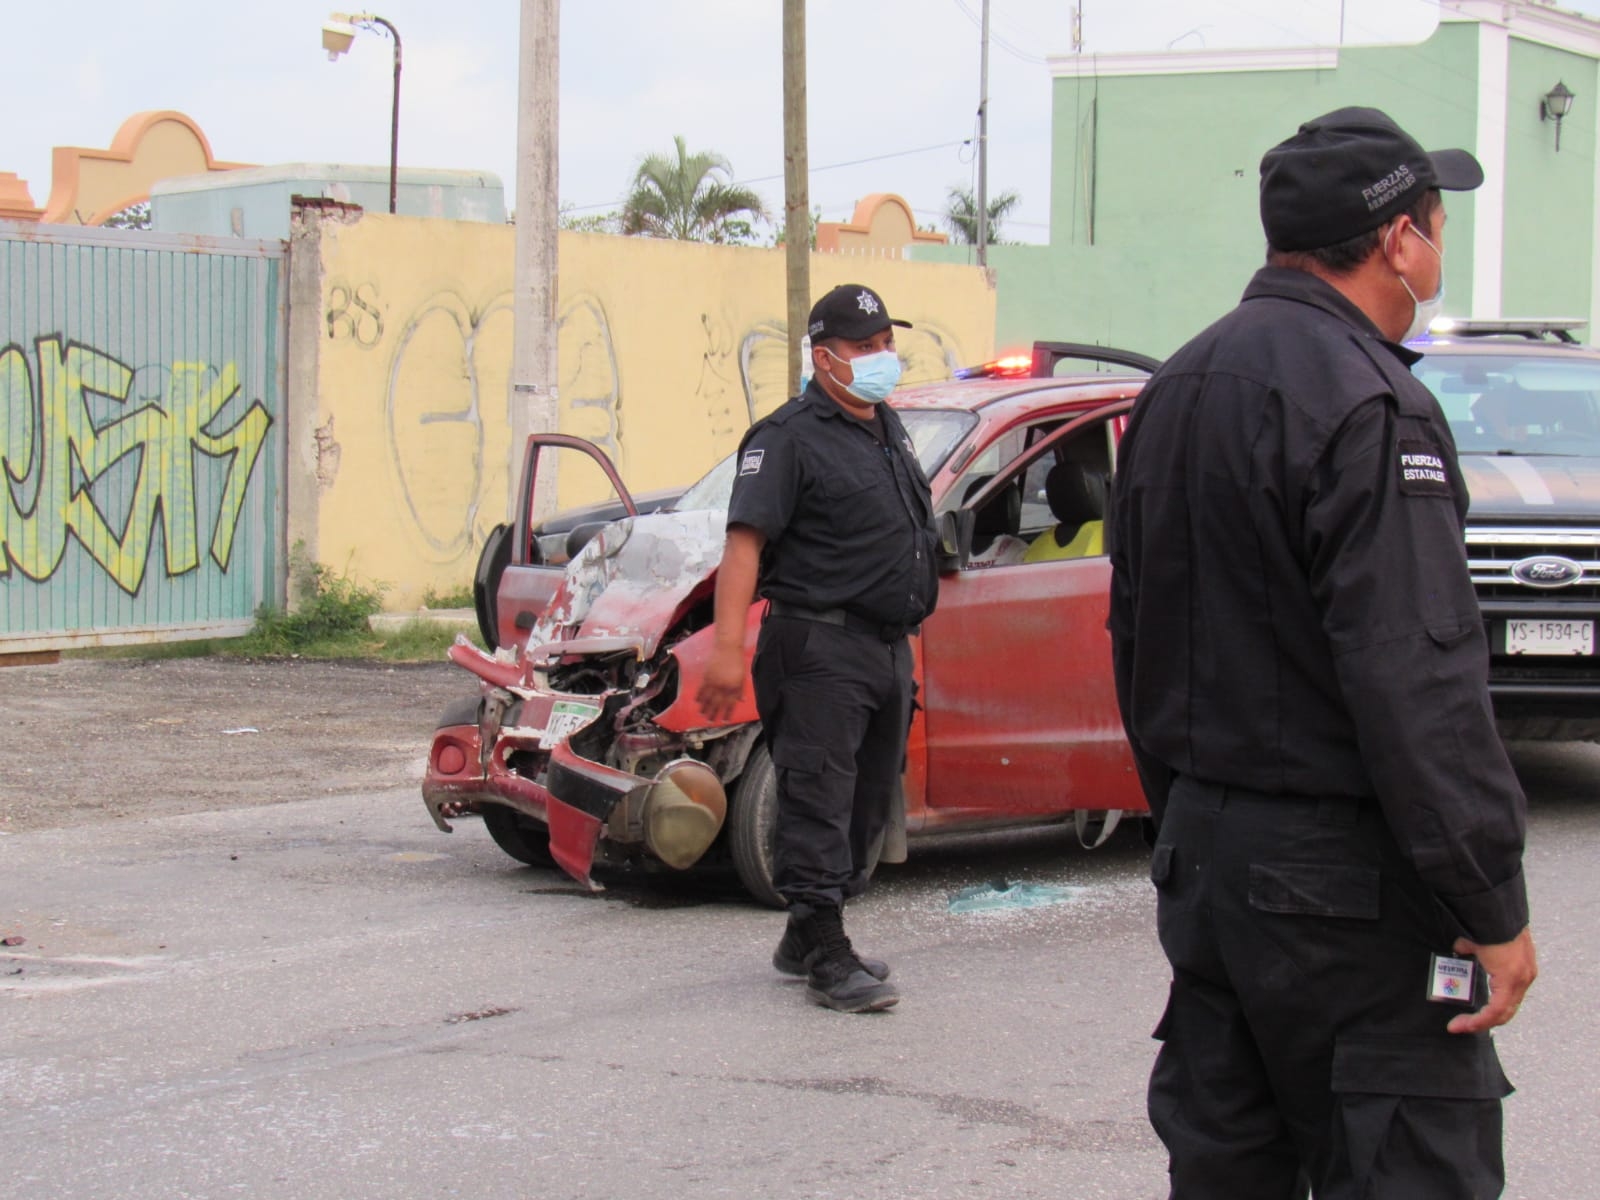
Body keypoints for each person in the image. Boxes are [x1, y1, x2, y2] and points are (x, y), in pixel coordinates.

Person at [1108, 107, 1538, 1198]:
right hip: (1341, 889)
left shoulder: (1176, 387)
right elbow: (1417, 679)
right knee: (1407, 1162)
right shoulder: (1372, 403)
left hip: (1204, 859)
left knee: (1230, 1163)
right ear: (1400, 239)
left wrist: (1196, 805)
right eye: (1435, 221)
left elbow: (1135, 634)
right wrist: (1490, 902)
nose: (1438, 244)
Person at [696, 283, 938, 1014]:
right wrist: (727, 647)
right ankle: (824, 944)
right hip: (819, 645)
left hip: (884, 648)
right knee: (819, 794)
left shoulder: (886, 426)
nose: (880, 359)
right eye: (864, 348)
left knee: (866, 800)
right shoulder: (786, 437)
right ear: (823, 357)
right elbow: (744, 546)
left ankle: (808, 933)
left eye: (886, 344)